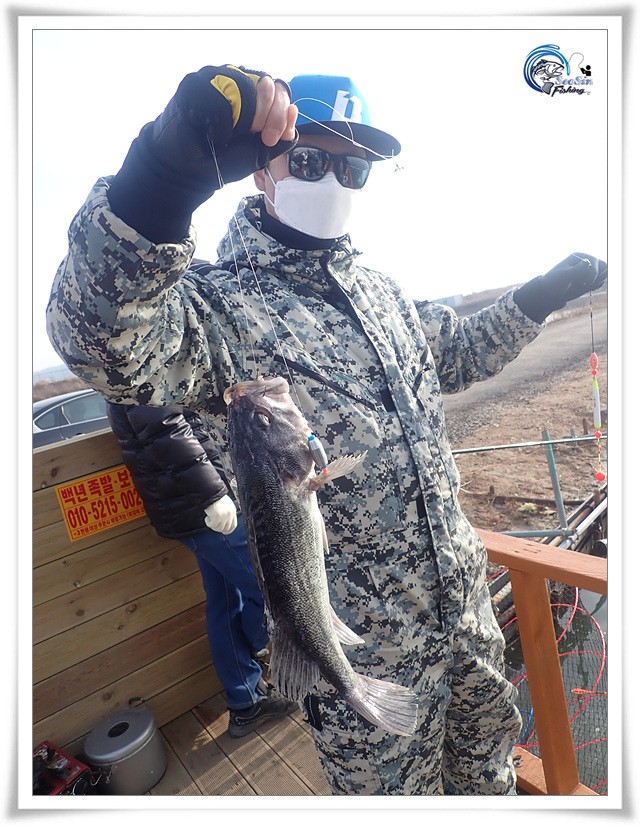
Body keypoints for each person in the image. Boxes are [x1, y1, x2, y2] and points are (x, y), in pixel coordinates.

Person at [47, 65, 607, 795]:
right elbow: (97, 335)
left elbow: (457, 352)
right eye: (310, 160)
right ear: (261, 172)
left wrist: (538, 296)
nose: (334, 181)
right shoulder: (219, 308)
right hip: (361, 656)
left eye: (354, 168)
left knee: (489, 780)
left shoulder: (381, 291)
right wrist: (159, 179)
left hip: (469, 622)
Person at [105, 401, 297, 738]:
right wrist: (213, 495)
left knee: (225, 603)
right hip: (204, 508)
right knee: (270, 592)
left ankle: (245, 701)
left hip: (192, 510)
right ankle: (260, 649)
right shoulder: (140, 379)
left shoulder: (122, 382)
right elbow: (164, 428)